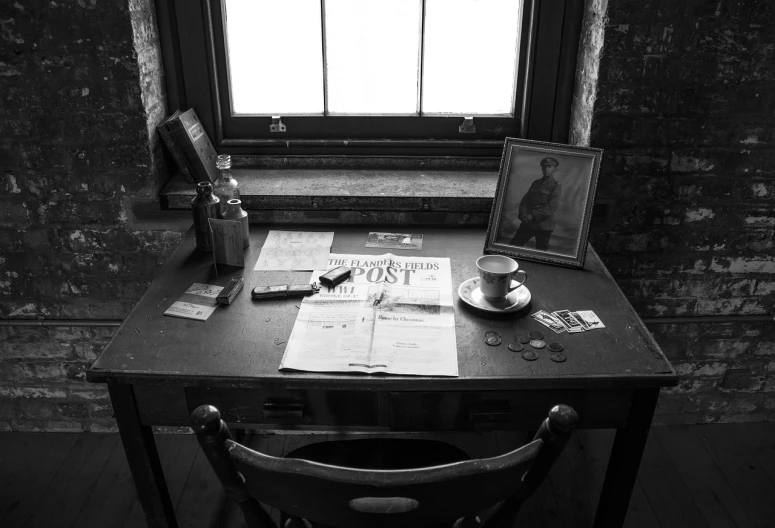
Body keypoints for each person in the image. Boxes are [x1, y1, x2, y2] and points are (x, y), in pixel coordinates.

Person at [509, 157, 562, 251]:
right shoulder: (536, 183)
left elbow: (551, 208)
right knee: (513, 246)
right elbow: (525, 200)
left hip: (544, 225)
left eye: (549, 166)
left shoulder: (556, 186)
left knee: (541, 253)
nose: (546, 169)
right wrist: (523, 214)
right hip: (529, 223)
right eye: (544, 166)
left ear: (555, 169)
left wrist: (532, 216)